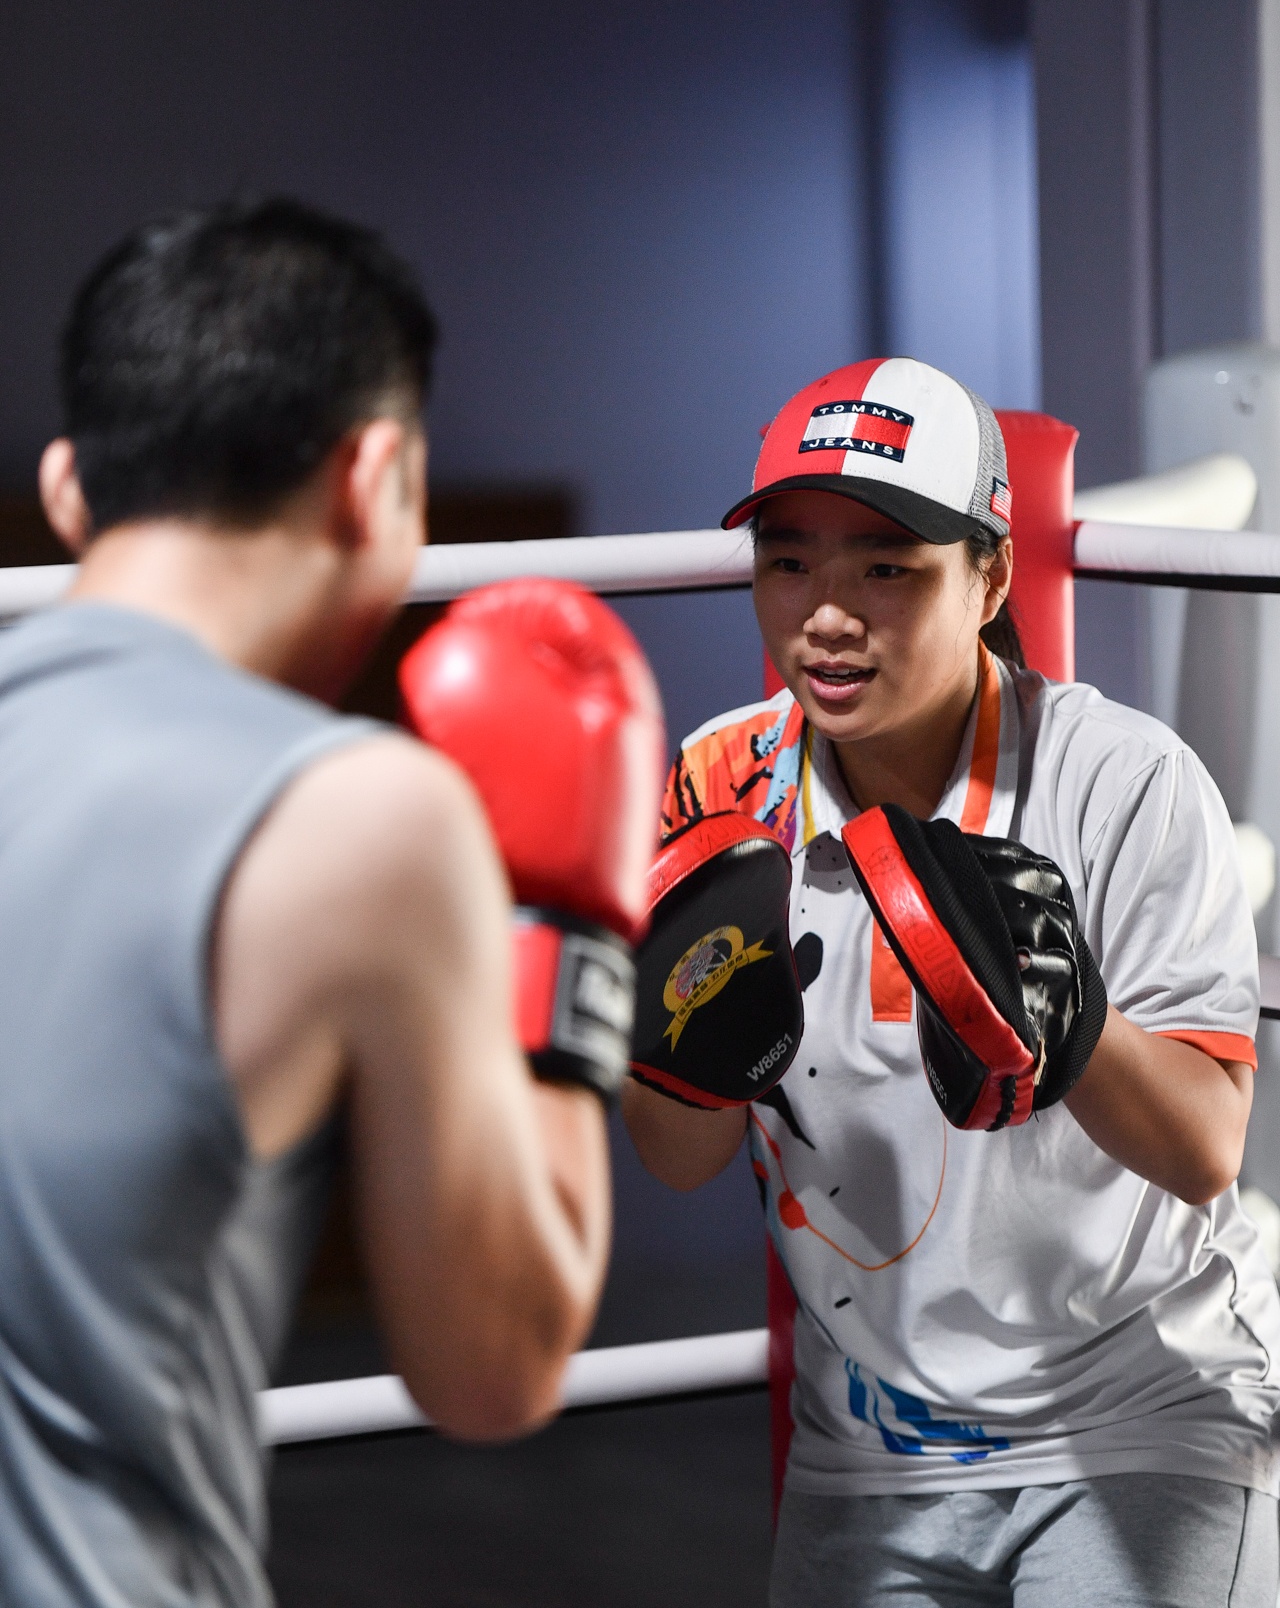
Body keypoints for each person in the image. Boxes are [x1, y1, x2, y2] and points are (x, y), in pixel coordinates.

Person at [0, 197, 664, 1607]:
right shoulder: (361, 819)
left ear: (69, 490)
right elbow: (495, 1366)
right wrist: (563, 923)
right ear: (374, 476)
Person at [622, 356, 1280, 1608]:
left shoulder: (1119, 781)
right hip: (868, 1449)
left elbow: (1204, 1148)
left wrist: (1071, 1026)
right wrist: (699, 1045)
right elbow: (677, 1155)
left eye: (885, 567)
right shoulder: (721, 786)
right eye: (786, 560)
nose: (825, 614)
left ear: (987, 577)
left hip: (1136, 1417)